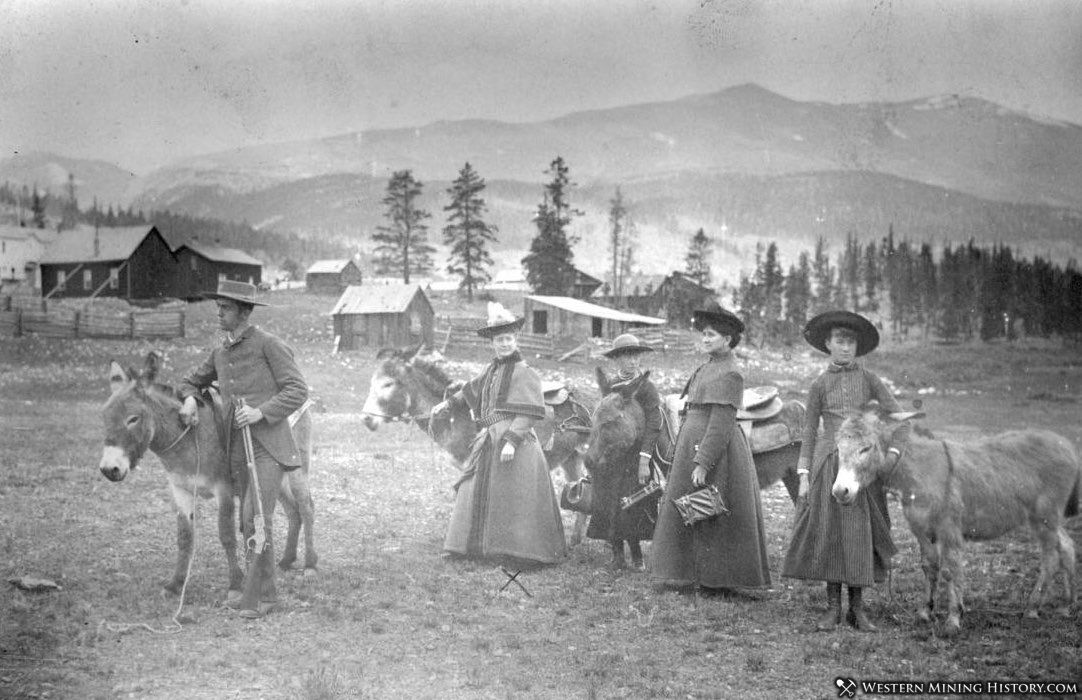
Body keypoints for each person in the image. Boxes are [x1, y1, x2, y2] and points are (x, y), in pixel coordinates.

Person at [178, 279, 308, 619]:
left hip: (268, 447)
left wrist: (261, 411)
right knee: (246, 521)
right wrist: (191, 397)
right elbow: (192, 379)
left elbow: (297, 390)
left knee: (255, 517)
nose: (219, 313)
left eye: (226, 308)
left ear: (245, 312)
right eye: (218, 307)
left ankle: (266, 595)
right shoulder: (220, 351)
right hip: (237, 449)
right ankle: (255, 587)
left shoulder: (269, 345)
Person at [782, 310, 911, 632]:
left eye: (851, 342)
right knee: (830, 535)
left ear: (858, 346)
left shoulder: (870, 380)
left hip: (861, 469)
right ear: (827, 344)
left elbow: (900, 420)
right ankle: (831, 608)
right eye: (839, 341)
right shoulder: (819, 384)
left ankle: (858, 609)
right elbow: (809, 433)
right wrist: (803, 475)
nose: (845, 347)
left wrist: (891, 455)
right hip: (829, 465)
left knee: (858, 536)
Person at [432, 302, 567, 566]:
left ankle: (519, 553)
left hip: (516, 441)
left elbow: (528, 413)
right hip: (489, 437)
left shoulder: (525, 372)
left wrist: (512, 442)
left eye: (508, 339)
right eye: (499, 340)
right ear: (492, 343)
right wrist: (446, 404)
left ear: (515, 340)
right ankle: (466, 546)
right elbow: (469, 391)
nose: (504, 344)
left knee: (514, 495)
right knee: (472, 486)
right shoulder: (490, 370)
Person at [650, 303, 771, 591]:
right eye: (703, 334)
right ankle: (689, 573)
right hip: (692, 444)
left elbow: (721, 423)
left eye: (711, 335)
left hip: (717, 451)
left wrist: (703, 462)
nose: (705, 339)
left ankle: (717, 579)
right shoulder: (708, 367)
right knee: (692, 507)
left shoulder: (730, 373)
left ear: (727, 339)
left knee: (711, 508)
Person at [589, 333, 663, 571]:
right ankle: (617, 554)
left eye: (636, 356)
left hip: (635, 457)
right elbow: (604, 419)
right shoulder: (610, 386)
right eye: (627, 357)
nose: (632, 361)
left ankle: (638, 556)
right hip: (612, 456)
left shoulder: (646, 388)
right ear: (617, 360)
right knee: (610, 504)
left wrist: (645, 458)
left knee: (631, 506)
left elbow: (654, 423)